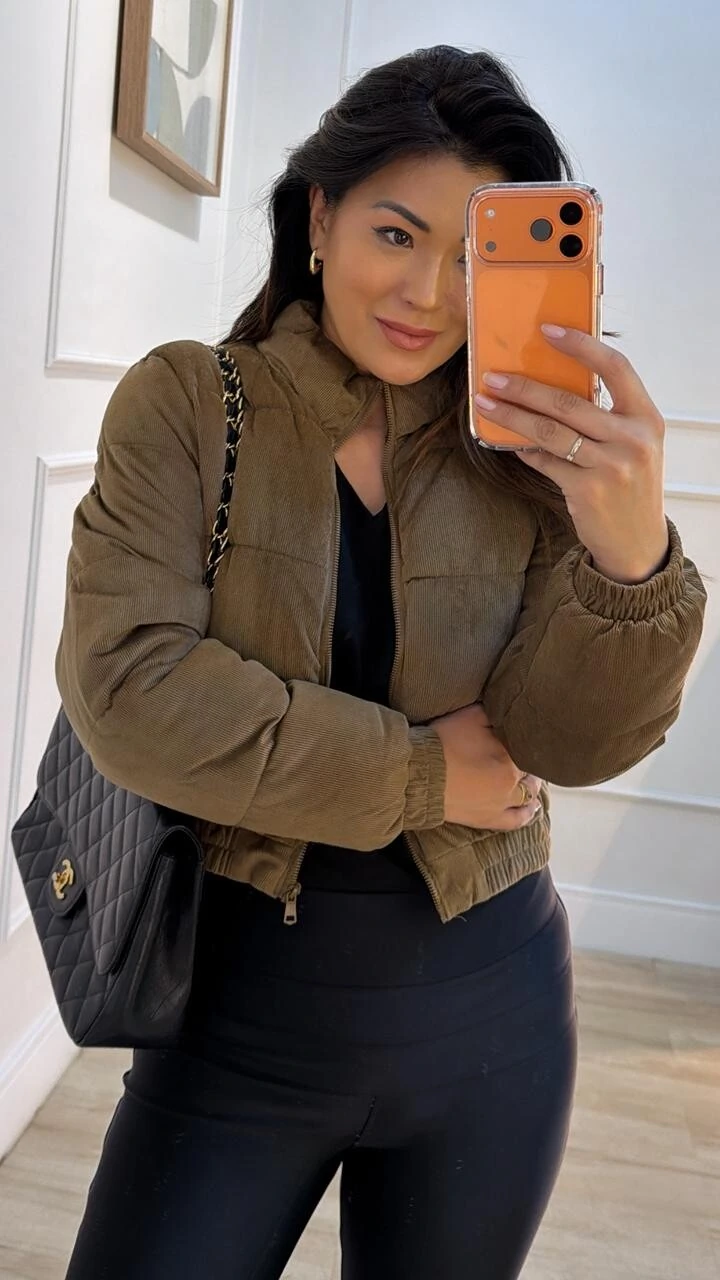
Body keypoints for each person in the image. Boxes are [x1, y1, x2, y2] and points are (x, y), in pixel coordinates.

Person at [56, 44, 705, 1280]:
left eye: (473, 259)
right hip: (234, 1025)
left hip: (495, 1024)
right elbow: (131, 686)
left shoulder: (532, 451)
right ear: (320, 217)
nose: (428, 294)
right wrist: (422, 772)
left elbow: (567, 745)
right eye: (396, 234)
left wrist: (631, 560)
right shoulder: (190, 403)